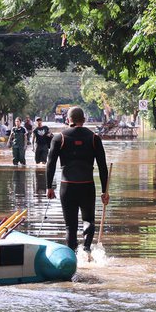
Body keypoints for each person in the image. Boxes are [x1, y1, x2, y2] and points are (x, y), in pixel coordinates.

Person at [46, 106, 109, 253]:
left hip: (67, 187)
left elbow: (50, 163)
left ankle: (72, 258)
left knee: (70, 226)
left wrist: (49, 186)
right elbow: (102, 167)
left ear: (68, 120)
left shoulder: (59, 138)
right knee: (88, 220)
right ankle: (87, 249)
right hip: (87, 186)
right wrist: (105, 191)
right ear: (84, 120)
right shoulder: (94, 138)